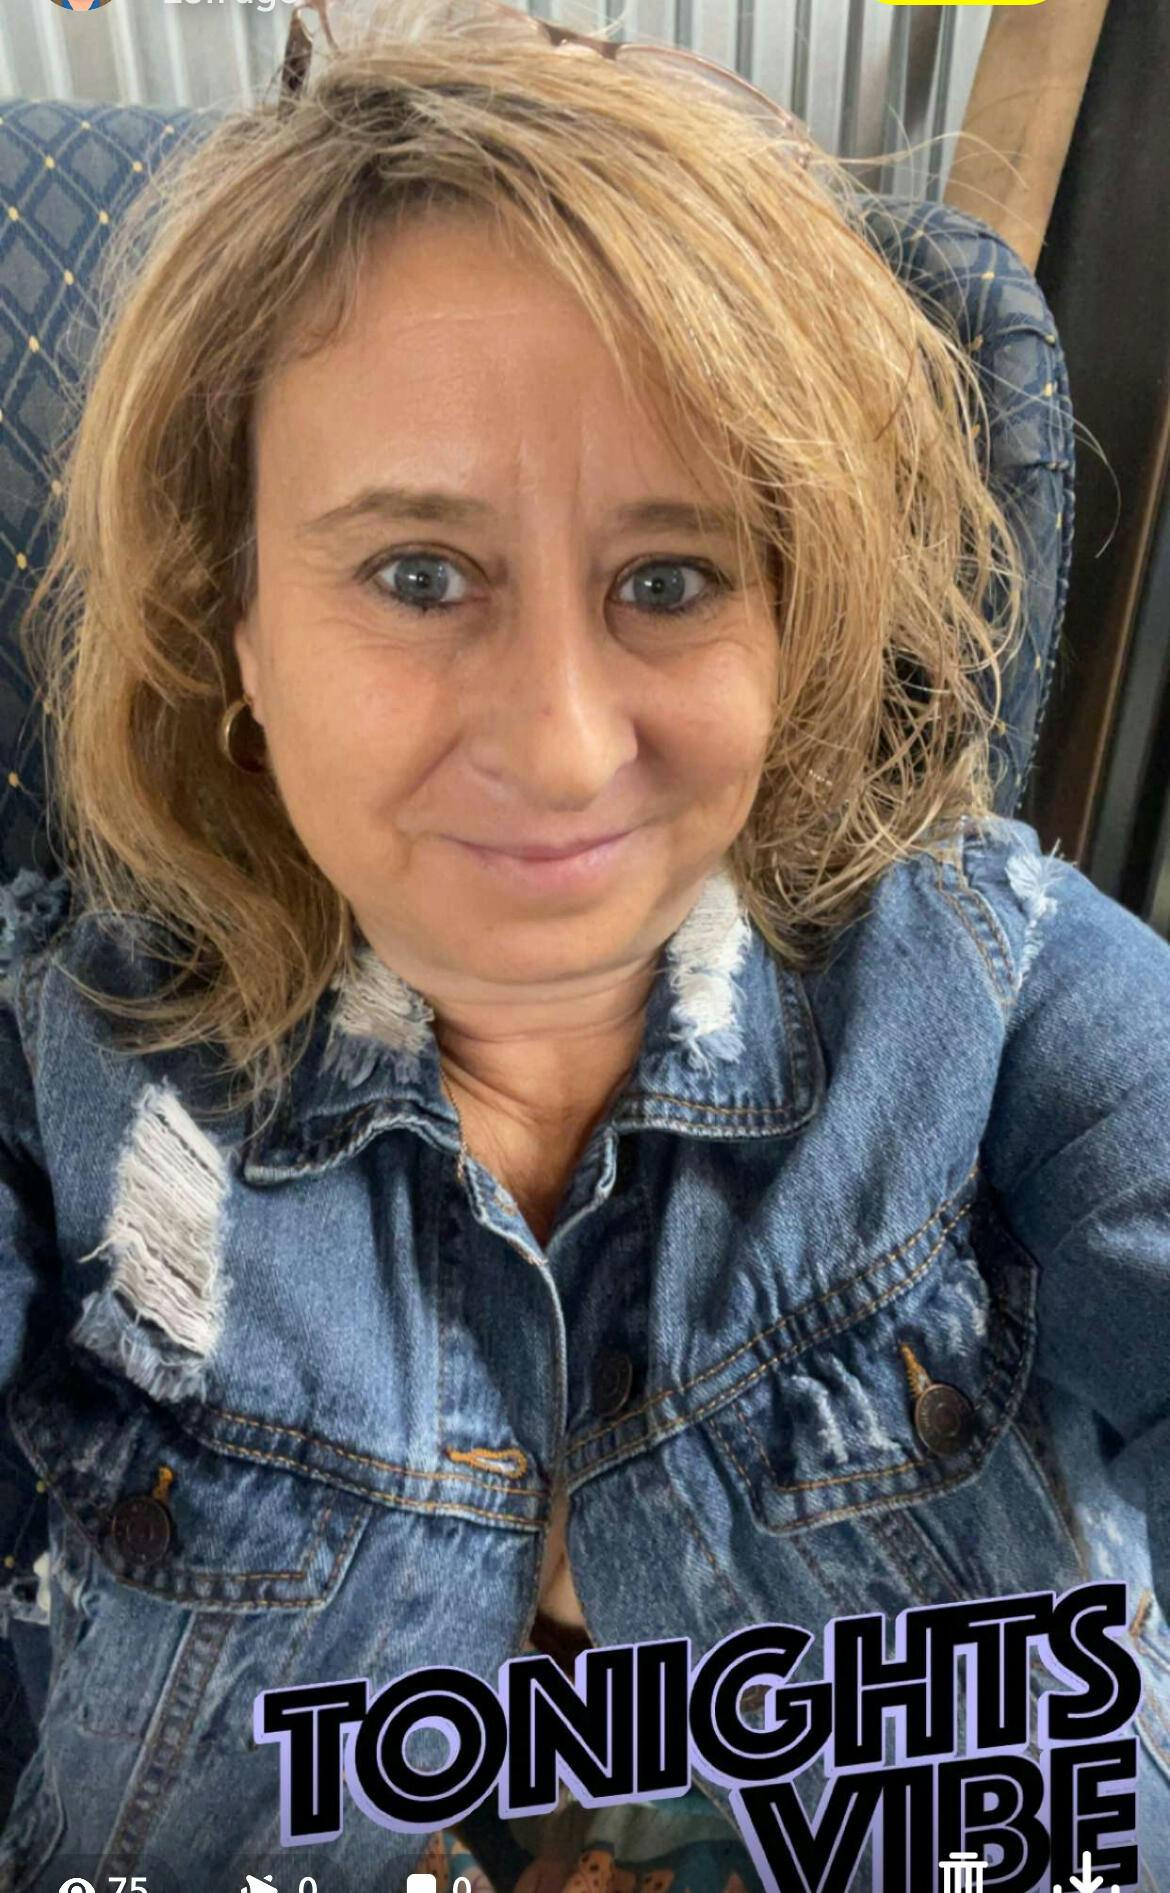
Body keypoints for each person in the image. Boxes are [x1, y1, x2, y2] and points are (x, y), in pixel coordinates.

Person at [2, 2, 1169, 1888]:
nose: (559, 744)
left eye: (667, 578)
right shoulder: (61, 1074)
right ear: (236, 622)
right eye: (418, 574)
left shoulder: (995, 996)